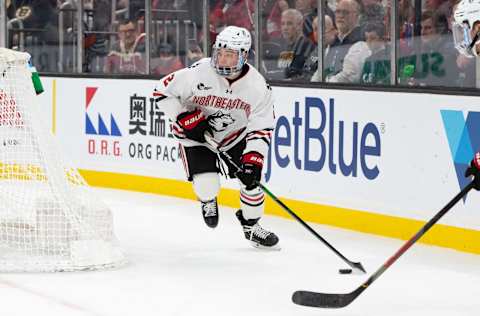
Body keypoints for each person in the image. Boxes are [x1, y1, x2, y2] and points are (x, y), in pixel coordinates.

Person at [153, 26, 279, 249]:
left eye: (229, 55)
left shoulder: (258, 87)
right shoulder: (199, 72)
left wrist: (253, 160)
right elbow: (161, 92)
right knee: (207, 186)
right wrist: (184, 118)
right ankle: (208, 200)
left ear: (244, 55)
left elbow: (261, 127)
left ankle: (251, 227)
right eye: (219, 53)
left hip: (234, 136)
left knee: (252, 184)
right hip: (197, 137)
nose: (222, 59)